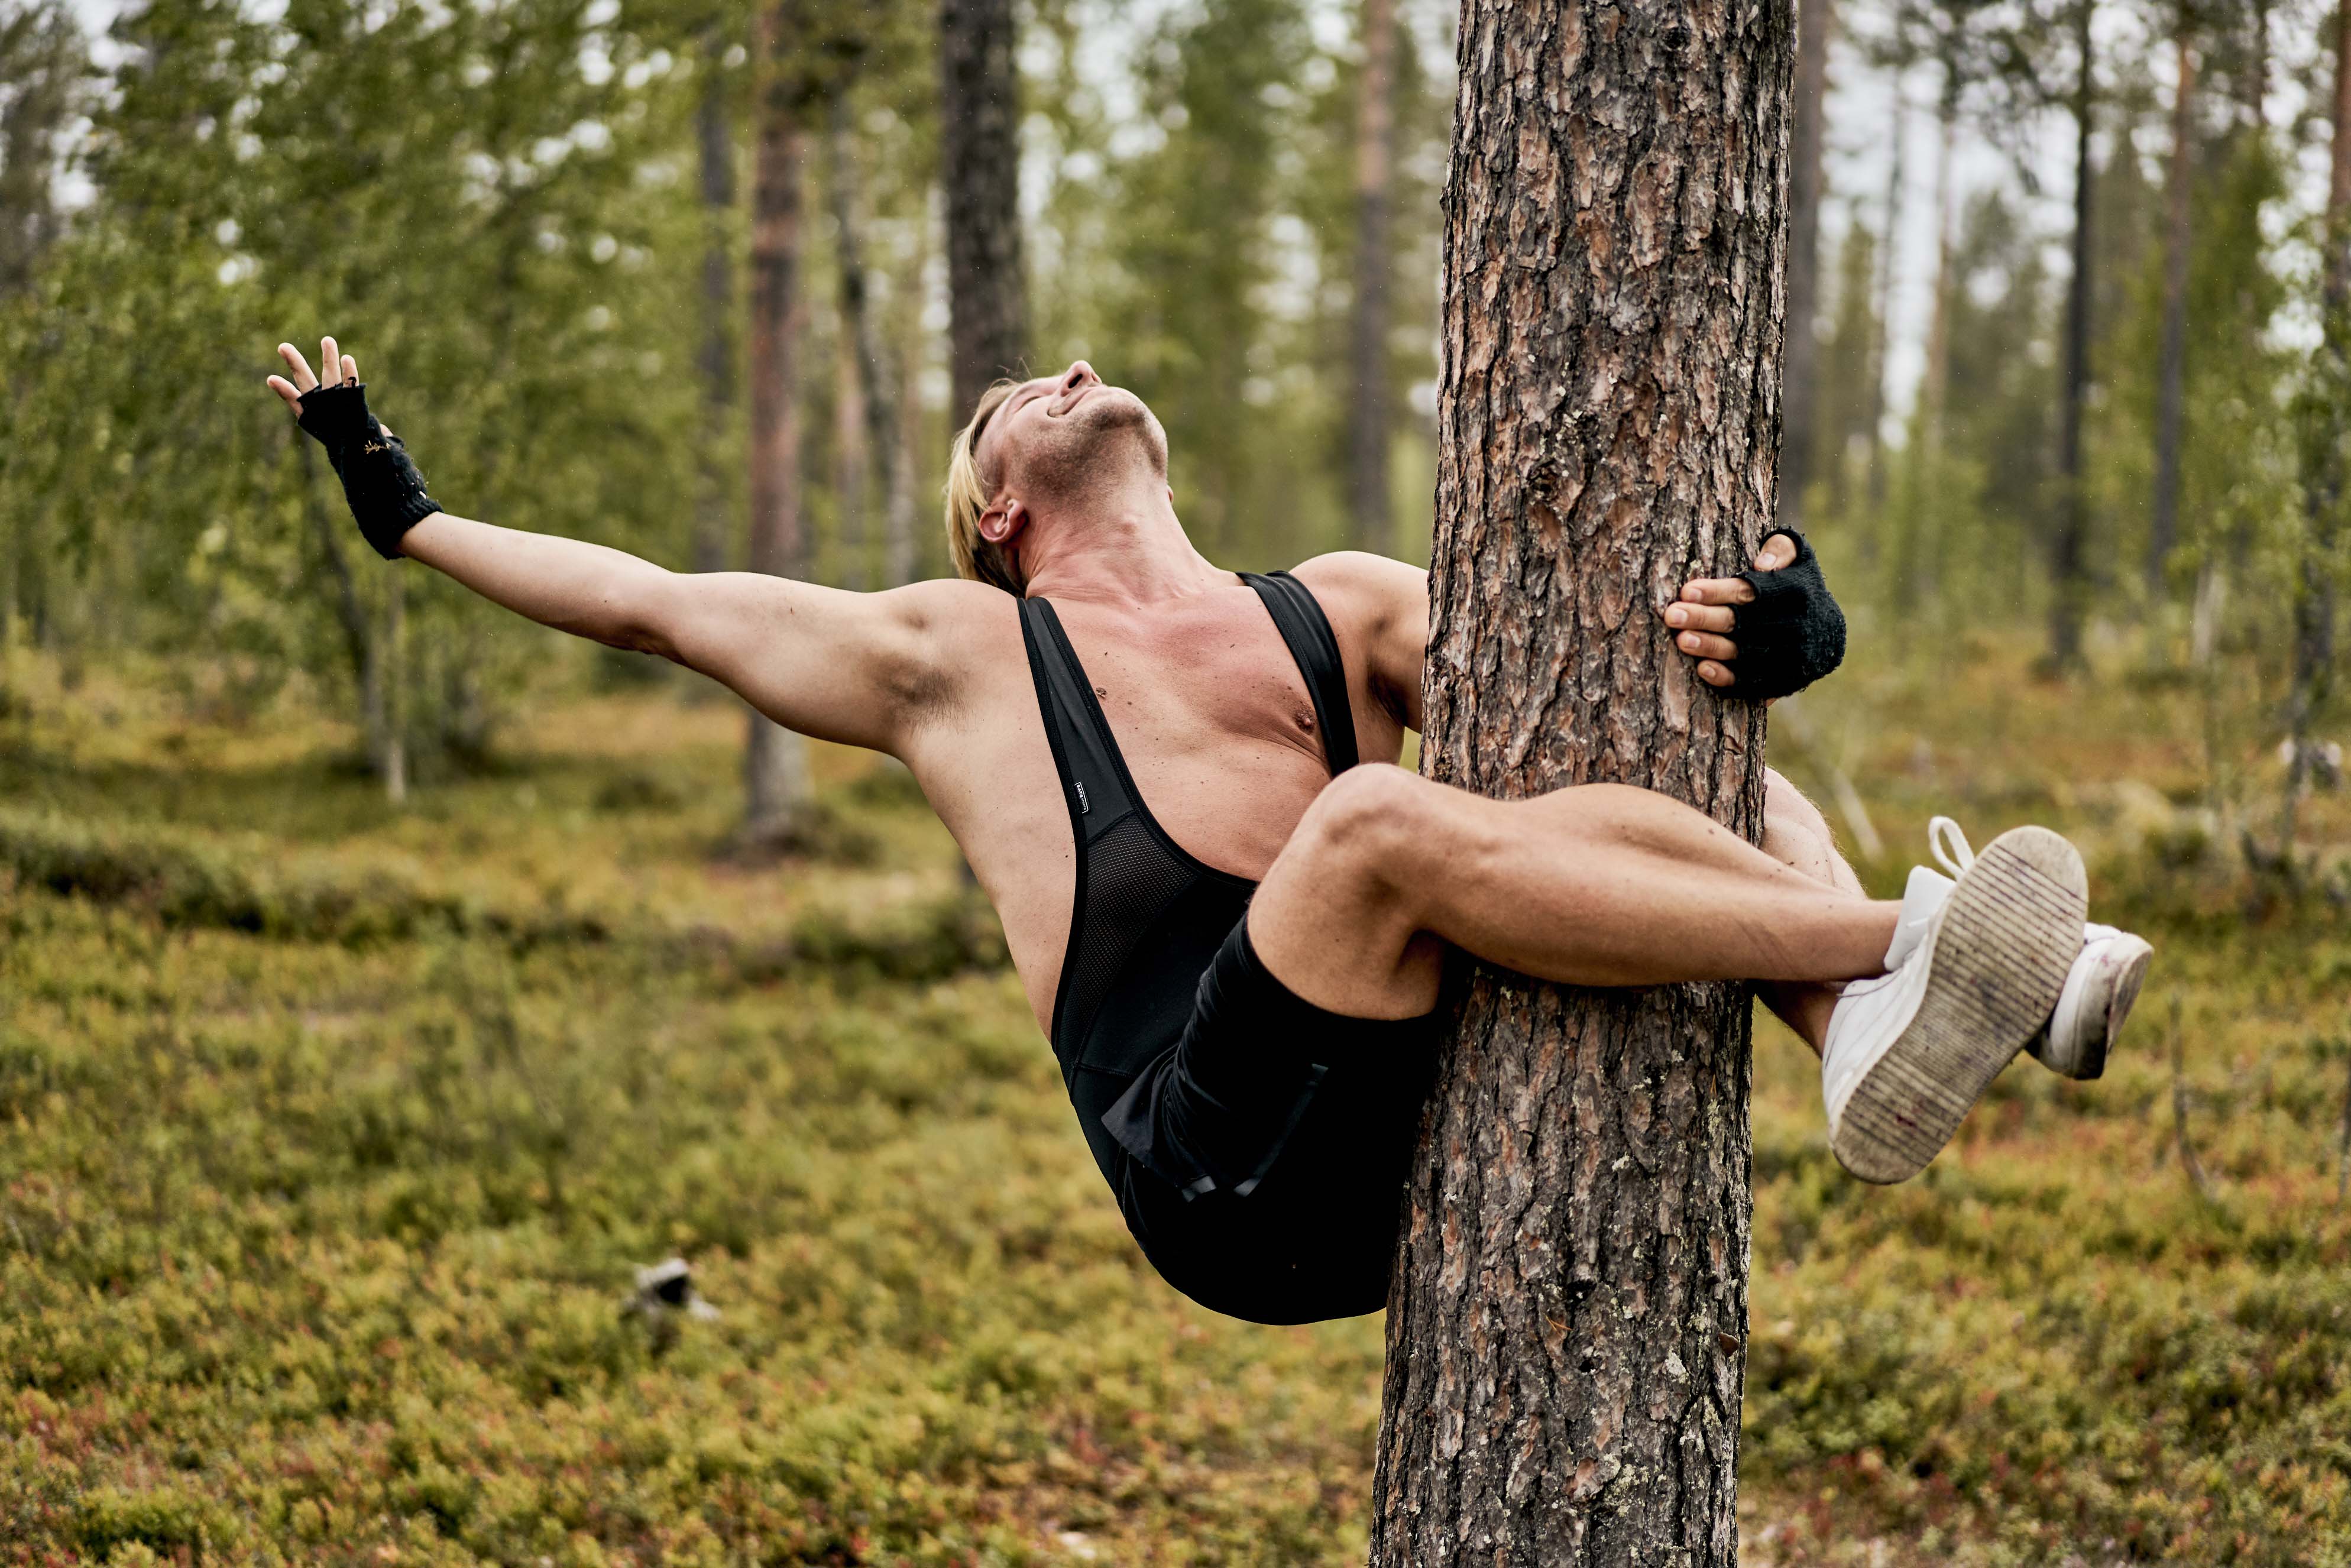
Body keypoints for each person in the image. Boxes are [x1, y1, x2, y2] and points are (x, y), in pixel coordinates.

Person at [265, 339, 2154, 1326]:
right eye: (1023, 396)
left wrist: (1782, 620)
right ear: (996, 503)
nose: (1067, 367)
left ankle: (1883, 1025)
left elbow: (1621, 672)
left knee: (1695, 780)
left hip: (1419, 1115)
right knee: (1368, 830)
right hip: (1222, 1175)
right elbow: (654, 600)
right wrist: (399, 502)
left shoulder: (1334, 603)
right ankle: (1917, 946)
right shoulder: (957, 660)